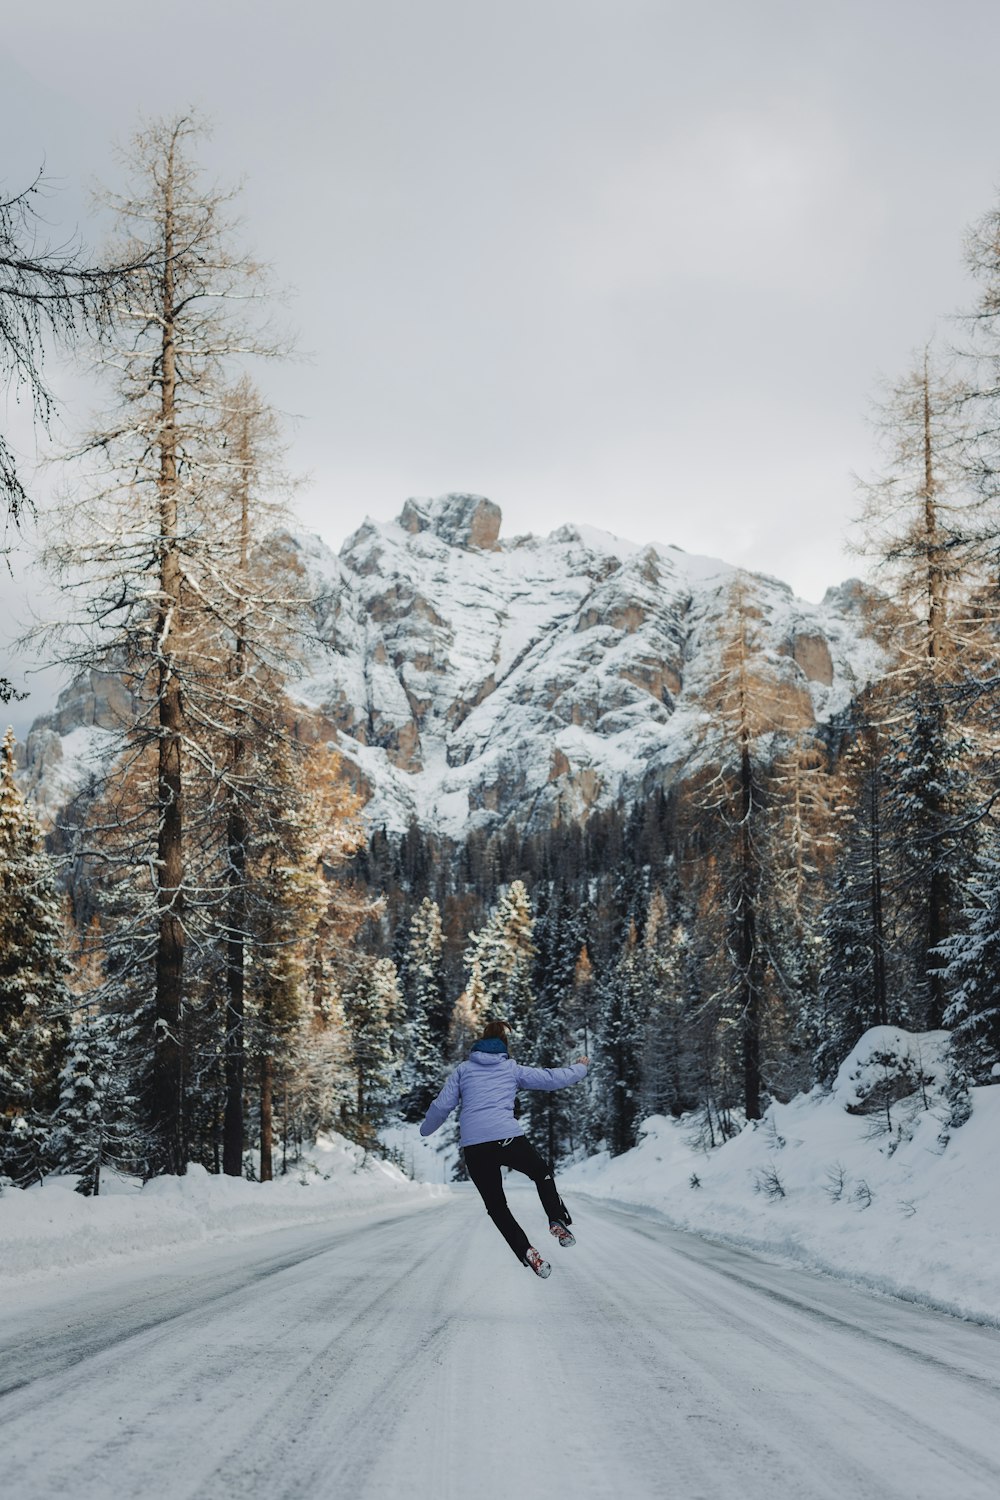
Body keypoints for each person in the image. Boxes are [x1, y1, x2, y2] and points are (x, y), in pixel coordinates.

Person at [420, 1018, 589, 1278]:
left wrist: (426, 1129)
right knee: (541, 1172)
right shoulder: (510, 1068)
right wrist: (579, 1069)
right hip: (507, 1138)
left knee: (496, 1206)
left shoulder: (463, 1070)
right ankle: (556, 1219)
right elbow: (550, 1078)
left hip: (475, 1147)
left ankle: (526, 1251)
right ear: (503, 1047)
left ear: (477, 1046)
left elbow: (442, 1106)